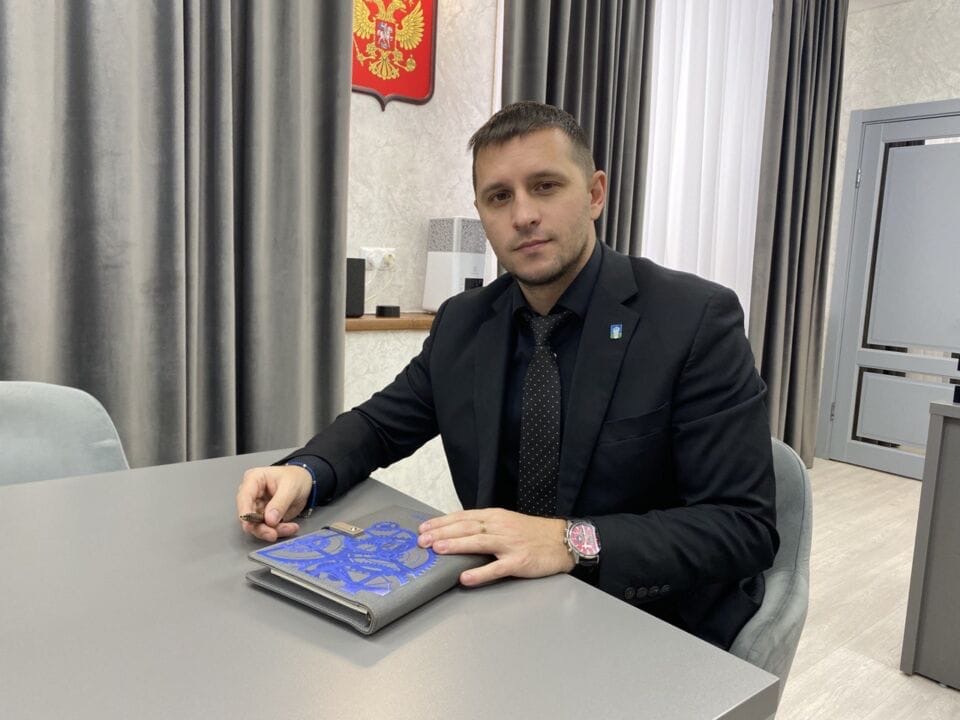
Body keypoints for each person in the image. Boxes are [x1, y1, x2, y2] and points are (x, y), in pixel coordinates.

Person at [236, 101, 778, 650]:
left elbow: (742, 526)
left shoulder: (693, 319)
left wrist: (570, 541)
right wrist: (306, 471)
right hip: (498, 613)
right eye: (499, 197)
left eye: (545, 186)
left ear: (595, 194)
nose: (523, 215)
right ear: (481, 212)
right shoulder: (464, 322)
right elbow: (379, 426)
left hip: (648, 622)